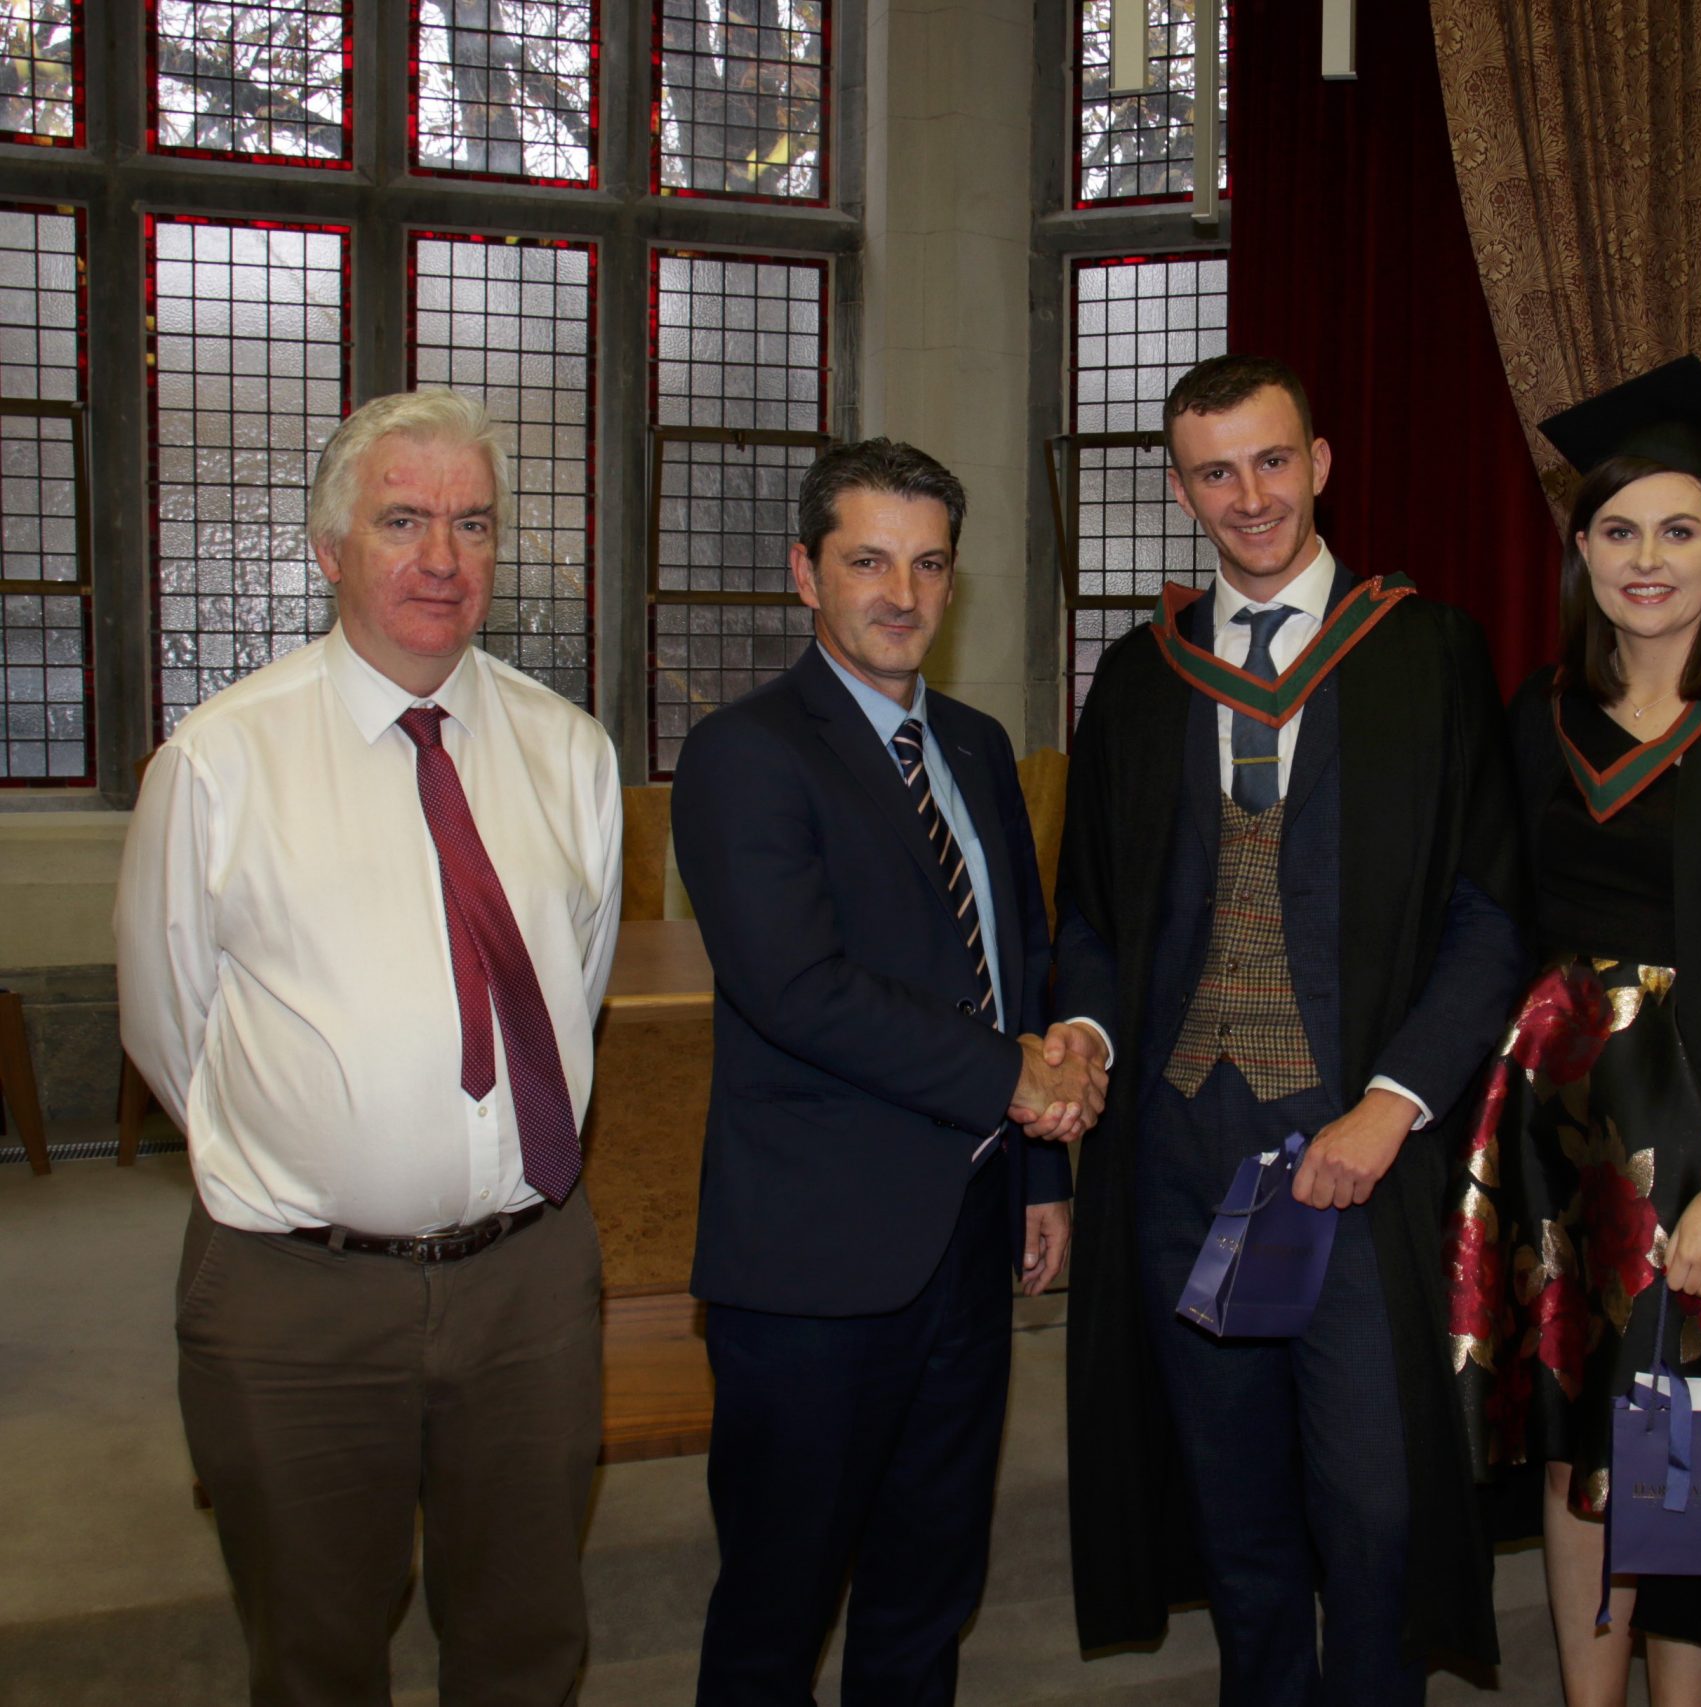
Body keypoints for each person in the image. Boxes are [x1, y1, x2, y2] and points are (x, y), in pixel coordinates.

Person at [116, 388, 623, 1706]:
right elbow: (172, 1031)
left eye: (472, 523)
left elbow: (575, 986)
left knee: (526, 1640)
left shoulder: (569, 754)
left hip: (528, 1280)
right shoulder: (221, 763)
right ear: (330, 547)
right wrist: (328, 1152)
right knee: (316, 1649)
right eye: (402, 520)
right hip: (298, 1296)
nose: (442, 559)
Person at [1053, 353, 1527, 1704]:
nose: (1248, 495)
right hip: (1183, 1150)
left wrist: (1393, 1101)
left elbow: (1490, 915)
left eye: (1272, 460)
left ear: (1319, 463)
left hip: (1353, 1151)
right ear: (1179, 486)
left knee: (1373, 1508)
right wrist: (1085, 1028)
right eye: (1216, 470)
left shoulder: (1425, 654)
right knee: (1238, 1511)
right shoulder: (1142, 679)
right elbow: (1085, 911)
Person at [1446, 357, 1701, 1703]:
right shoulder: (1539, 712)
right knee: (1583, 1442)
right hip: (1567, 1145)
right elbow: (1495, 924)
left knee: (1691, 1432)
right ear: (1581, 545)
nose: (1647, 558)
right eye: (1618, 528)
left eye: (1680, 529)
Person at [671, 438, 1092, 1707]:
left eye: (927, 565)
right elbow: (797, 989)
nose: (900, 594)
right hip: (811, 1265)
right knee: (777, 1608)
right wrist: (1016, 1082)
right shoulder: (745, 752)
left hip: (964, 1251)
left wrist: (1037, 1173)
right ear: (806, 573)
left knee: (927, 1591)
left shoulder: (972, 743)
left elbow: (1018, 959)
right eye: (867, 562)